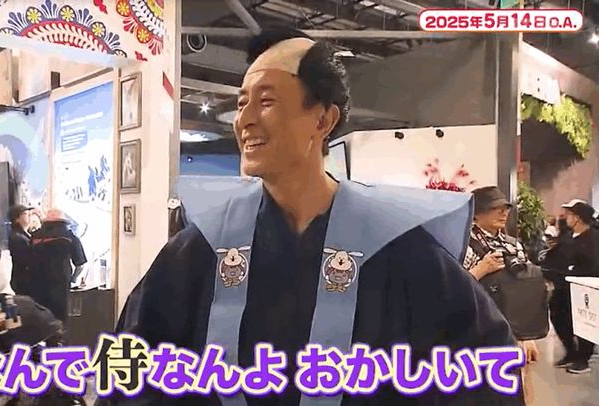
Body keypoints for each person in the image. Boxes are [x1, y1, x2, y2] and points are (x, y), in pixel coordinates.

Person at [107, 28, 521, 405]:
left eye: (266, 101)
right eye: (242, 103)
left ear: (323, 119)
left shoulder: (396, 246)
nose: (244, 120)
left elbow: (486, 364)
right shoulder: (204, 246)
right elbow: (126, 361)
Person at [462, 186, 546, 404]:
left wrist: (527, 335)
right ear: (476, 213)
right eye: (495, 208)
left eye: (506, 207)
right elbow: (454, 289)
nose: (503, 212)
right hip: (478, 327)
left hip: (513, 326)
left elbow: (525, 291)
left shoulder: (513, 244)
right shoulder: (463, 244)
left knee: (521, 379)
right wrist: (481, 269)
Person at [545, 199, 599, 374]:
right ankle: (571, 352)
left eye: (570, 214)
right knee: (558, 315)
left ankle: (583, 358)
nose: (566, 217)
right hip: (563, 287)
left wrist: (571, 271)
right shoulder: (568, 236)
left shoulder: (593, 238)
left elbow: (593, 266)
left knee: (585, 322)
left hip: (584, 289)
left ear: (578, 218)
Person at [29, 209, 87, 325]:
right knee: (59, 321)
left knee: (40, 320)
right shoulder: (70, 237)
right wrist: (73, 279)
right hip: (60, 284)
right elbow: (80, 264)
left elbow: (27, 261)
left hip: (37, 285)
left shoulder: (35, 236)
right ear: (63, 222)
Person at [7, 204, 34, 296]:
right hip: (23, 280)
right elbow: (26, 260)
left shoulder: (26, 235)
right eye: (25, 214)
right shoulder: (17, 237)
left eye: (30, 213)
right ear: (17, 219)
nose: (29, 215)